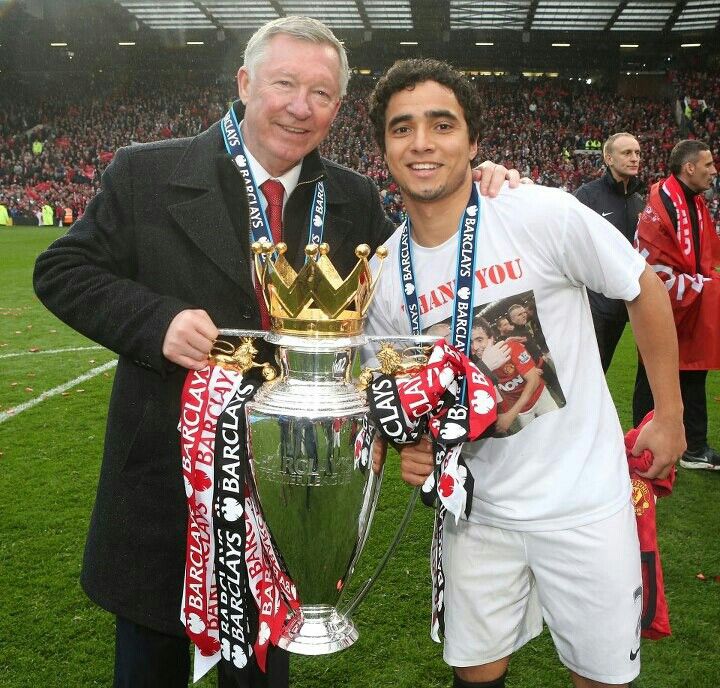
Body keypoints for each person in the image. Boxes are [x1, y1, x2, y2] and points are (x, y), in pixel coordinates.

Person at [33, 17, 516, 688]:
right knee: (149, 667)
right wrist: (156, 322)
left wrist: (480, 181)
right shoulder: (147, 171)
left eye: (321, 93)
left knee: (263, 674)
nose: (300, 107)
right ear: (244, 83)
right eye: (284, 84)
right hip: (167, 490)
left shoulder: (350, 197)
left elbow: (417, 282)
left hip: (289, 491)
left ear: (337, 107)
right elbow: (61, 270)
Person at [366, 58, 686, 688]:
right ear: (384, 148)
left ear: (473, 142)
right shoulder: (382, 274)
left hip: (585, 503)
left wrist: (670, 414)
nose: (422, 142)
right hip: (475, 515)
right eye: (402, 128)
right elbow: (404, 392)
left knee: (600, 677)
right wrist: (413, 443)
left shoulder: (537, 212)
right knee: (475, 674)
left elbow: (641, 286)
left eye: (442, 125)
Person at [633, 139, 720, 471]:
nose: (713, 171)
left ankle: (694, 447)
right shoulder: (662, 206)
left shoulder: (693, 202)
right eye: (708, 164)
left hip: (690, 302)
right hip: (665, 304)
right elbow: (653, 266)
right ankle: (642, 446)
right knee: (652, 375)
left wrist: (701, 283)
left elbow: (703, 254)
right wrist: (703, 285)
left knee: (694, 373)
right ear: (689, 167)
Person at [574, 133, 645, 373]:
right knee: (587, 374)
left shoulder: (638, 201)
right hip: (593, 305)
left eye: (637, 153)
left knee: (602, 372)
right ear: (608, 158)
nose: (634, 158)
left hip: (624, 305)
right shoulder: (587, 195)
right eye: (627, 153)